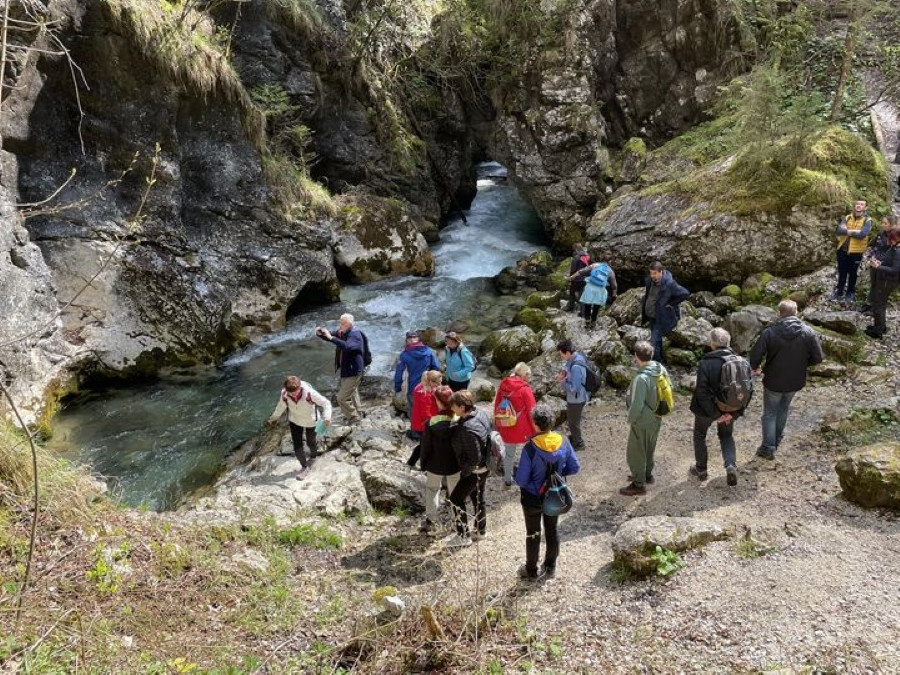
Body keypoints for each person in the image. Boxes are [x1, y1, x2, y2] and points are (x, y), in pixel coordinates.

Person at [748, 300, 824, 460]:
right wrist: (803, 364)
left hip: (773, 379)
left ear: (780, 313)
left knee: (769, 412)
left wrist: (755, 367)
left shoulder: (770, 332)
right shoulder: (808, 332)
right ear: (796, 312)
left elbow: (755, 354)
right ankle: (777, 438)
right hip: (795, 381)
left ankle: (768, 447)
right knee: (783, 409)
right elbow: (818, 358)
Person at [514, 403, 581, 580]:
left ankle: (530, 571)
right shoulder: (563, 441)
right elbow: (574, 467)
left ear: (535, 424)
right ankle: (550, 566)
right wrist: (558, 474)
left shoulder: (530, 448)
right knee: (552, 530)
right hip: (554, 494)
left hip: (532, 498)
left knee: (533, 533)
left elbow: (521, 479)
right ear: (551, 422)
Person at [689, 328, 747, 487]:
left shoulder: (706, 363)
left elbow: (701, 391)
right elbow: (748, 390)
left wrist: (715, 414)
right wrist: (735, 414)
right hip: (730, 408)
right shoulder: (741, 362)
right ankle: (730, 465)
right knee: (726, 436)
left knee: (700, 435)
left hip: (706, 411)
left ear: (712, 344)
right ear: (728, 343)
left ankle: (701, 469)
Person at [619, 341, 667, 496]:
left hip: (642, 420)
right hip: (657, 416)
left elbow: (637, 404)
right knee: (649, 447)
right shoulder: (660, 369)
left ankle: (638, 484)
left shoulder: (641, 378)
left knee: (636, 451)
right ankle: (647, 475)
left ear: (636, 357)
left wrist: (630, 418)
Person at [447, 390, 492, 547]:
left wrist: (464, 473)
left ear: (462, 406)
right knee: (478, 498)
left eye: (453, 405)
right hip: (488, 465)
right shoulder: (481, 412)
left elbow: (474, 458)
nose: (451, 408)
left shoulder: (467, 428)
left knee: (456, 499)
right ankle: (481, 531)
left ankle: (463, 535)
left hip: (476, 470)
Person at [267, 375, 332, 479]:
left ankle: (314, 457)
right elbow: (280, 406)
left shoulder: (309, 393)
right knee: (297, 446)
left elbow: (326, 403)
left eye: (295, 392)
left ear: (300, 386)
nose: (293, 395)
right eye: (290, 393)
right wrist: (273, 418)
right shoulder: (285, 393)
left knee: (311, 442)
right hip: (295, 421)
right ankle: (304, 467)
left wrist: (327, 418)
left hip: (311, 421)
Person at [418, 386, 460, 534]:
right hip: (454, 463)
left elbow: (425, 447)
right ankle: (458, 523)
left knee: (432, 490)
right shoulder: (458, 420)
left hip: (434, 464)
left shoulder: (430, 423)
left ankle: (432, 523)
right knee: (456, 493)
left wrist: (423, 464)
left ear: (439, 402)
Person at [493, 362, 538, 488]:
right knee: (531, 452)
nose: (529, 379)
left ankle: (508, 479)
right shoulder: (525, 389)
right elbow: (532, 410)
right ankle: (531, 475)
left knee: (509, 455)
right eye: (528, 376)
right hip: (523, 427)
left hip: (507, 423)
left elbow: (497, 404)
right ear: (524, 375)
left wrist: (498, 423)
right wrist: (536, 428)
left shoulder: (503, 384)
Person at [316, 314, 364, 424]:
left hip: (354, 370)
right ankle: (360, 411)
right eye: (340, 322)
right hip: (347, 369)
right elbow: (330, 336)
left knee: (341, 398)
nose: (340, 325)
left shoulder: (355, 334)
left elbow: (347, 346)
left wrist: (332, 338)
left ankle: (353, 417)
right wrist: (321, 333)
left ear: (350, 324)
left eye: (342, 323)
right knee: (352, 392)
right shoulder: (343, 331)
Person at [641, 261, 690, 363]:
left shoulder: (670, 284)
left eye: (654, 273)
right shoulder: (650, 281)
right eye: (651, 273)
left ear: (661, 272)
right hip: (651, 316)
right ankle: (660, 360)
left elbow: (685, 293)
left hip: (661, 316)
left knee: (654, 342)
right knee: (656, 340)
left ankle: (657, 363)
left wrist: (671, 304)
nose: (652, 276)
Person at [833, 198, 873, 305]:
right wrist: (853, 231)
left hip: (856, 252)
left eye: (861, 204)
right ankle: (839, 291)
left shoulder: (867, 220)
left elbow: (862, 234)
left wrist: (847, 231)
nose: (858, 206)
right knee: (842, 272)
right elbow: (839, 230)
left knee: (853, 273)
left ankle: (850, 292)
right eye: (857, 204)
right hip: (842, 250)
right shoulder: (847, 217)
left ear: (865, 207)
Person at [394, 331, 440, 418]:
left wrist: (397, 388)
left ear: (407, 341)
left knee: (414, 412)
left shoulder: (404, 355)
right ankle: (427, 429)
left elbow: (399, 373)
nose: (411, 339)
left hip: (413, 388)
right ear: (418, 339)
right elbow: (436, 367)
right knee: (428, 410)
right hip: (428, 386)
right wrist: (434, 383)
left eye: (411, 338)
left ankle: (415, 430)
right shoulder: (429, 351)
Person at [865, 228, 900, 339]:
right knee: (881, 304)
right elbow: (888, 261)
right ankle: (881, 326)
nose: (890, 241)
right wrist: (879, 262)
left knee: (878, 304)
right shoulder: (894, 248)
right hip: (886, 279)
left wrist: (878, 267)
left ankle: (877, 331)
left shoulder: (898, 251)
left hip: (888, 281)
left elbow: (895, 270)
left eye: (892, 239)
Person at [860, 215, 898, 314]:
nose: (882, 225)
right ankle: (869, 304)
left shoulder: (895, 236)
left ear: (892, 225)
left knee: (879, 287)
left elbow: (892, 253)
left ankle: (875, 309)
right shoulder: (881, 233)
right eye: (883, 222)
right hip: (874, 262)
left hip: (884, 266)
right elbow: (873, 246)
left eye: (885, 223)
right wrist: (871, 256)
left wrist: (881, 262)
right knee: (873, 284)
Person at [556, 339, 589, 451]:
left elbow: (574, 388)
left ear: (568, 353)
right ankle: (575, 439)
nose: (561, 357)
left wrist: (563, 381)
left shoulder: (575, 367)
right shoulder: (578, 358)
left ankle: (579, 444)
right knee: (573, 421)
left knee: (573, 423)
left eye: (562, 355)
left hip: (576, 399)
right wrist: (565, 373)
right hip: (579, 397)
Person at [568, 259, 618, 330]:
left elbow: (581, 272)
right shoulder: (610, 271)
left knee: (588, 304)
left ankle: (587, 321)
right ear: (609, 264)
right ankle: (593, 322)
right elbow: (614, 285)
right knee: (596, 306)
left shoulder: (595, 265)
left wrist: (572, 277)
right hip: (600, 290)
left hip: (590, 287)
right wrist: (614, 295)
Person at [410, 370, 443, 440]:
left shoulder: (421, 385)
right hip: (423, 425)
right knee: (426, 442)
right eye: (438, 383)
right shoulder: (425, 394)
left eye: (441, 382)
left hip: (417, 422)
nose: (439, 385)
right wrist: (436, 422)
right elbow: (425, 414)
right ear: (431, 381)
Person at [566, 243, 591, 312]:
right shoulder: (588, 256)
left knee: (572, 292)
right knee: (581, 295)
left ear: (576, 249)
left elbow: (573, 270)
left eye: (574, 250)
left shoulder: (576, 258)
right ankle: (583, 312)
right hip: (585, 279)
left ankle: (570, 307)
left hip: (576, 279)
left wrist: (570, 279)